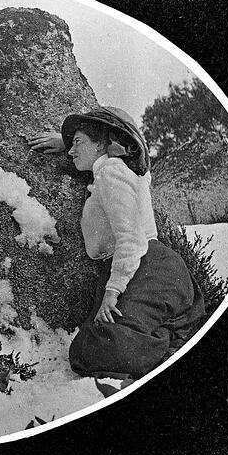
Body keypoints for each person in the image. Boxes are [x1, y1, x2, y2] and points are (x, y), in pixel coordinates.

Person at [56, 106, 205, 379]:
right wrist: (68, 142)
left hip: (148, 264)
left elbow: (131, 238)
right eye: (70, 144)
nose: (70, 151)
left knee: (103, 349)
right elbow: (132, 145)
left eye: (77, 142)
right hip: (144, 267)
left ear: (102, 143)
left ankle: (175, 347)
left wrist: (112, 292)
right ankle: (171, 334)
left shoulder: (112, 172)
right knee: (87, 348)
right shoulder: (115, 170)